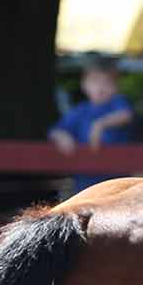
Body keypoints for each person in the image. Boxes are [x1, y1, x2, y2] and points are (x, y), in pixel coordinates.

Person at [50, 57, 136, 193]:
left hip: (116, 180)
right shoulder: (80, 110)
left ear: (115, 87)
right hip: (86, 179)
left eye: (107, 82)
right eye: (95, 81)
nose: (101, 87)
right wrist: (63, 137)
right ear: (84, 84)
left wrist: (100, 125)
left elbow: (125, 115)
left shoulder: (117, 103)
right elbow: (57, 130)